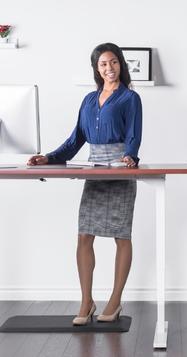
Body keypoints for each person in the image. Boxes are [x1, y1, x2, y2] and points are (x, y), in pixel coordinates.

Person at [27, 43, 142, 325]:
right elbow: (75, 139)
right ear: (96, 69)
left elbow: (134, 135)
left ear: (121, 65)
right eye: (103, 64)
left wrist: (129, 157)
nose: (109, 68)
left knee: (121, 235)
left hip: (120, 170)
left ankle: (114, 301)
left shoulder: (130, 98)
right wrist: (49, 158)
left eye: (113, 62)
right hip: (94, 170)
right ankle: (86, 301)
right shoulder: (89, 100)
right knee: (84, 235)